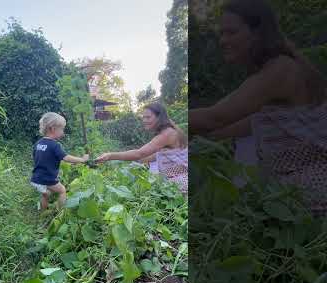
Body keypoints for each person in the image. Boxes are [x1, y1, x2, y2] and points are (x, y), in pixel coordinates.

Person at [189, 0, 326, 160]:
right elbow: (222, 128)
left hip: (305, 180)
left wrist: (166, 120)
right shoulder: (276, 68)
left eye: (231, 32)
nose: (223, 41)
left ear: (257, 33)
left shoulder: (279, 70)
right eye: (222, 33)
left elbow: (214, 119)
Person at [95, 103, 187, 184]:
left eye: (148, 117)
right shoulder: (169, 131)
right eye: (143, 117)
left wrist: (110, 156)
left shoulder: (167, 134)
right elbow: (155, 155)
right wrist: (128, 161)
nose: (144, 120)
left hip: (180, 182)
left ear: (159, 117)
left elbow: (139, 153)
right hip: (176, 177)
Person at [31, 112, 89, 210]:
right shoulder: (54, 145)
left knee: (46, 195)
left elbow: (38, 157)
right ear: (53, 129)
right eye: (62, 129)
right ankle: (60, 212)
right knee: (62, 190)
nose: (63, 132)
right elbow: (66, 157)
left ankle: (42, 213)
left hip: (36, 178)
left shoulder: (38, 143)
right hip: (47, 179)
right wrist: (82, 160)